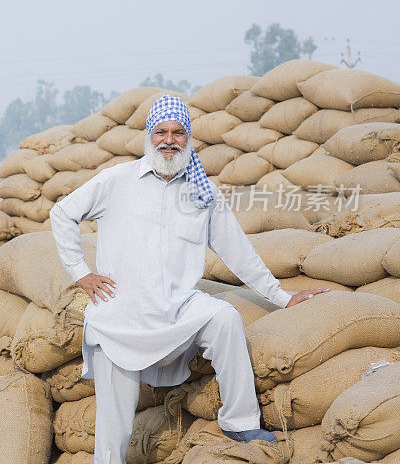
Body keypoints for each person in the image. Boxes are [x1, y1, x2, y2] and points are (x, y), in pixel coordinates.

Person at [49, 95, 327, 464]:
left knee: (224, 318)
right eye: (161, 131)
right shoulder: (117, 180)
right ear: (149, 136)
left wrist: (282, 297)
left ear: (189, 138)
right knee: (114, 425)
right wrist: (81, 273)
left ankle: (239, 422)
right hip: (122, 314)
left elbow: (238, 252)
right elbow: (62, 213)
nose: (169, 139)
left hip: (179, 308)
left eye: (177, 132)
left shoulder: (203, 192)